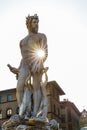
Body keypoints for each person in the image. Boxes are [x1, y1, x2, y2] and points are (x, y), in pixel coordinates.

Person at [8, 14, 48, 118]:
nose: (37, 24)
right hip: (25, 65)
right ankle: (23, 113)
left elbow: (44, 52)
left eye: (37, 22)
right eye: (34, 22)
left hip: (37, 62)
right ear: (28, 24)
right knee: (19, 87)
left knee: (36, 87)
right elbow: (23, 58)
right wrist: (16, 69)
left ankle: (34, 113)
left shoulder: (41, 36)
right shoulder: (22, 41)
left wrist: (39, 61)